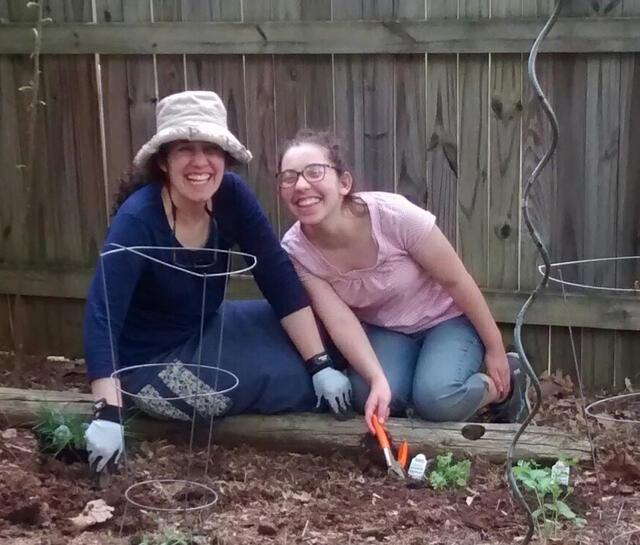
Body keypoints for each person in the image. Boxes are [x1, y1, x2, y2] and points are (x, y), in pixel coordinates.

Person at [83, 92, 392, 474]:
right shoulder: (138, 220)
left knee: (324, 339)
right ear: (163, 161)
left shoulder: (230, 195)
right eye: (184, 149)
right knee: (287, 381)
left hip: (209, 326)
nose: (200, 162)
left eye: (210, 148)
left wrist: (320, 362)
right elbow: (102, 315)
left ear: (224, 157)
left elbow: (275, 274)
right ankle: (373, 394)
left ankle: (380, 373)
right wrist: (108, 413)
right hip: (151, 364)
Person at [278, 129, 530, 425]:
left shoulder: (394, 216)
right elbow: (340, 321)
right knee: (365, 394)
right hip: (387, 332)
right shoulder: (296, 250)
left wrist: (495, 349)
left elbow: (457, 281)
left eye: (314, 172)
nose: (301, 185)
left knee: (438, 401)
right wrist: (377, 379)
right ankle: (417, 391)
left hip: (446, 321)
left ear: (344, 182)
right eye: (289, 177)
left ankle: (507, 383)